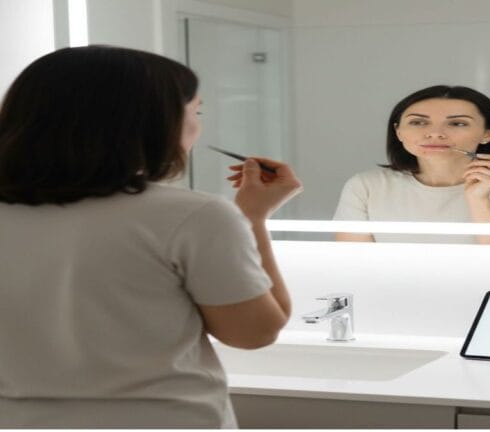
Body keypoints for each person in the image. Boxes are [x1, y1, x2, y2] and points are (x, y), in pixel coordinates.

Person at [0, 46, 302, 428]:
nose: (198, 125)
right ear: (156, 123)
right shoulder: (192, 216)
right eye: (197, 112)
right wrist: (253, 217)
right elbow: (254, 332)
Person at [333, 85, 490, 245]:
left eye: (457, 123)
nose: (435, 133)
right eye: (418, 122)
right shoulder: (366, 185)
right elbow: (354, 265)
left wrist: (479, 200)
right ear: (398, 132)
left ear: (489, 133)